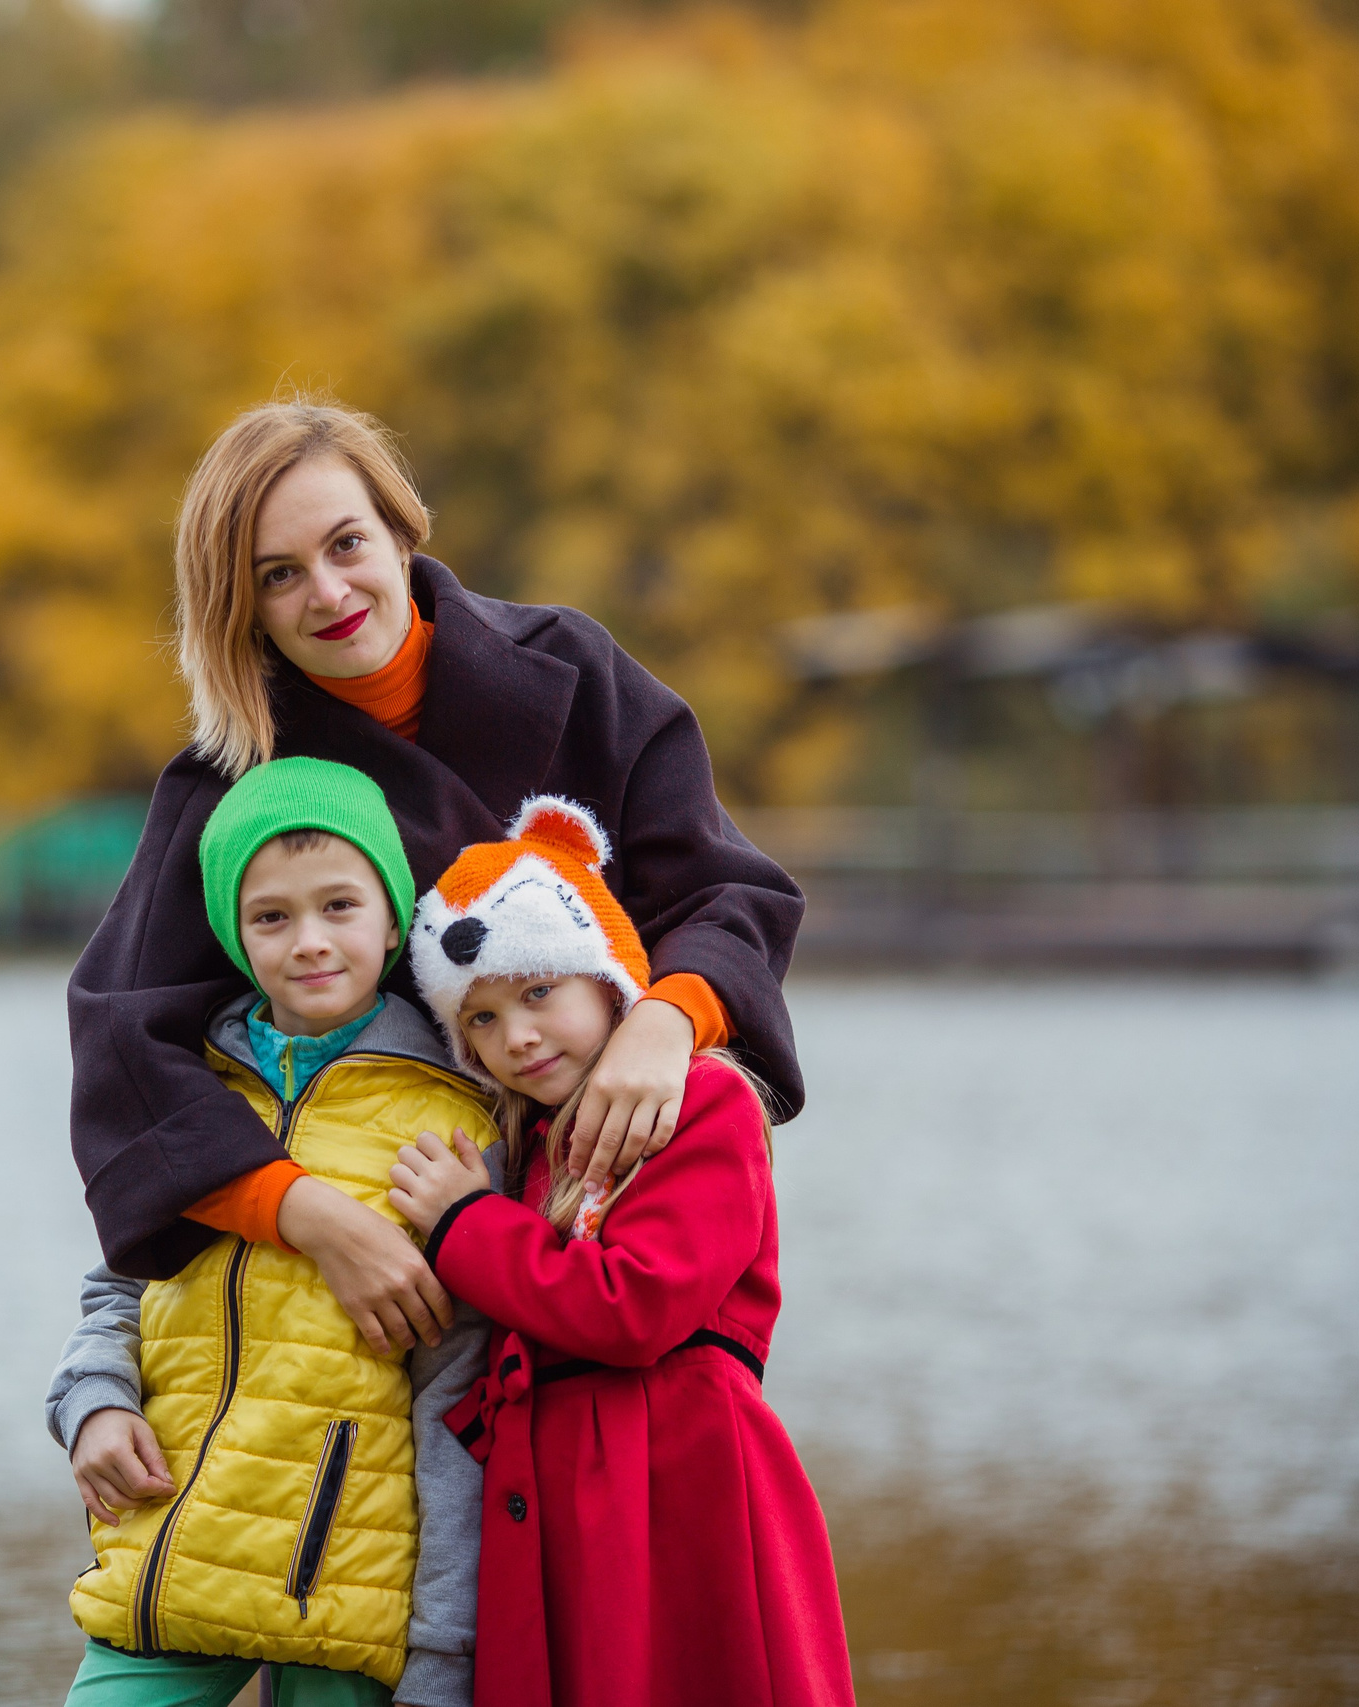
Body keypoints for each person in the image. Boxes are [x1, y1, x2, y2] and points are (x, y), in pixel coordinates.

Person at [70, 400, 807, 1361]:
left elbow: (726, 889)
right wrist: (311, 1216)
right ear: (238, 606)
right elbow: (126, 1046)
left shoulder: (575, 669)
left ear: (400, 523)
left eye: (346, 544)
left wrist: (666, 1024)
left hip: (613, 1219)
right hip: (392, 1282)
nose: (330, 593)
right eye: (279, 576)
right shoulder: (236, 785)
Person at [53, 756, 504, 1706]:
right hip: (171, 1555)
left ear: (392, 919)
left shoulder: (453, 1121)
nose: (309, 940)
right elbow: (121, 1278)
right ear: (233, 932)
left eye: (340, 905)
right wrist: (93, 1400)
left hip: (344, 1598)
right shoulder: (192, 1094)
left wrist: (443, 1653)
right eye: (272, 916)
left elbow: (457, 1401)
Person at [386, 797, 856, 1707]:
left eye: (536, 992)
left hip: (678, 1499)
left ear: (604, 980)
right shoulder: (525, 1142)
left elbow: (635, 1307)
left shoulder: (705, 1104)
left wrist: (462, 1227)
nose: (515, 1036)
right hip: (560, 1516)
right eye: (479, 1020)